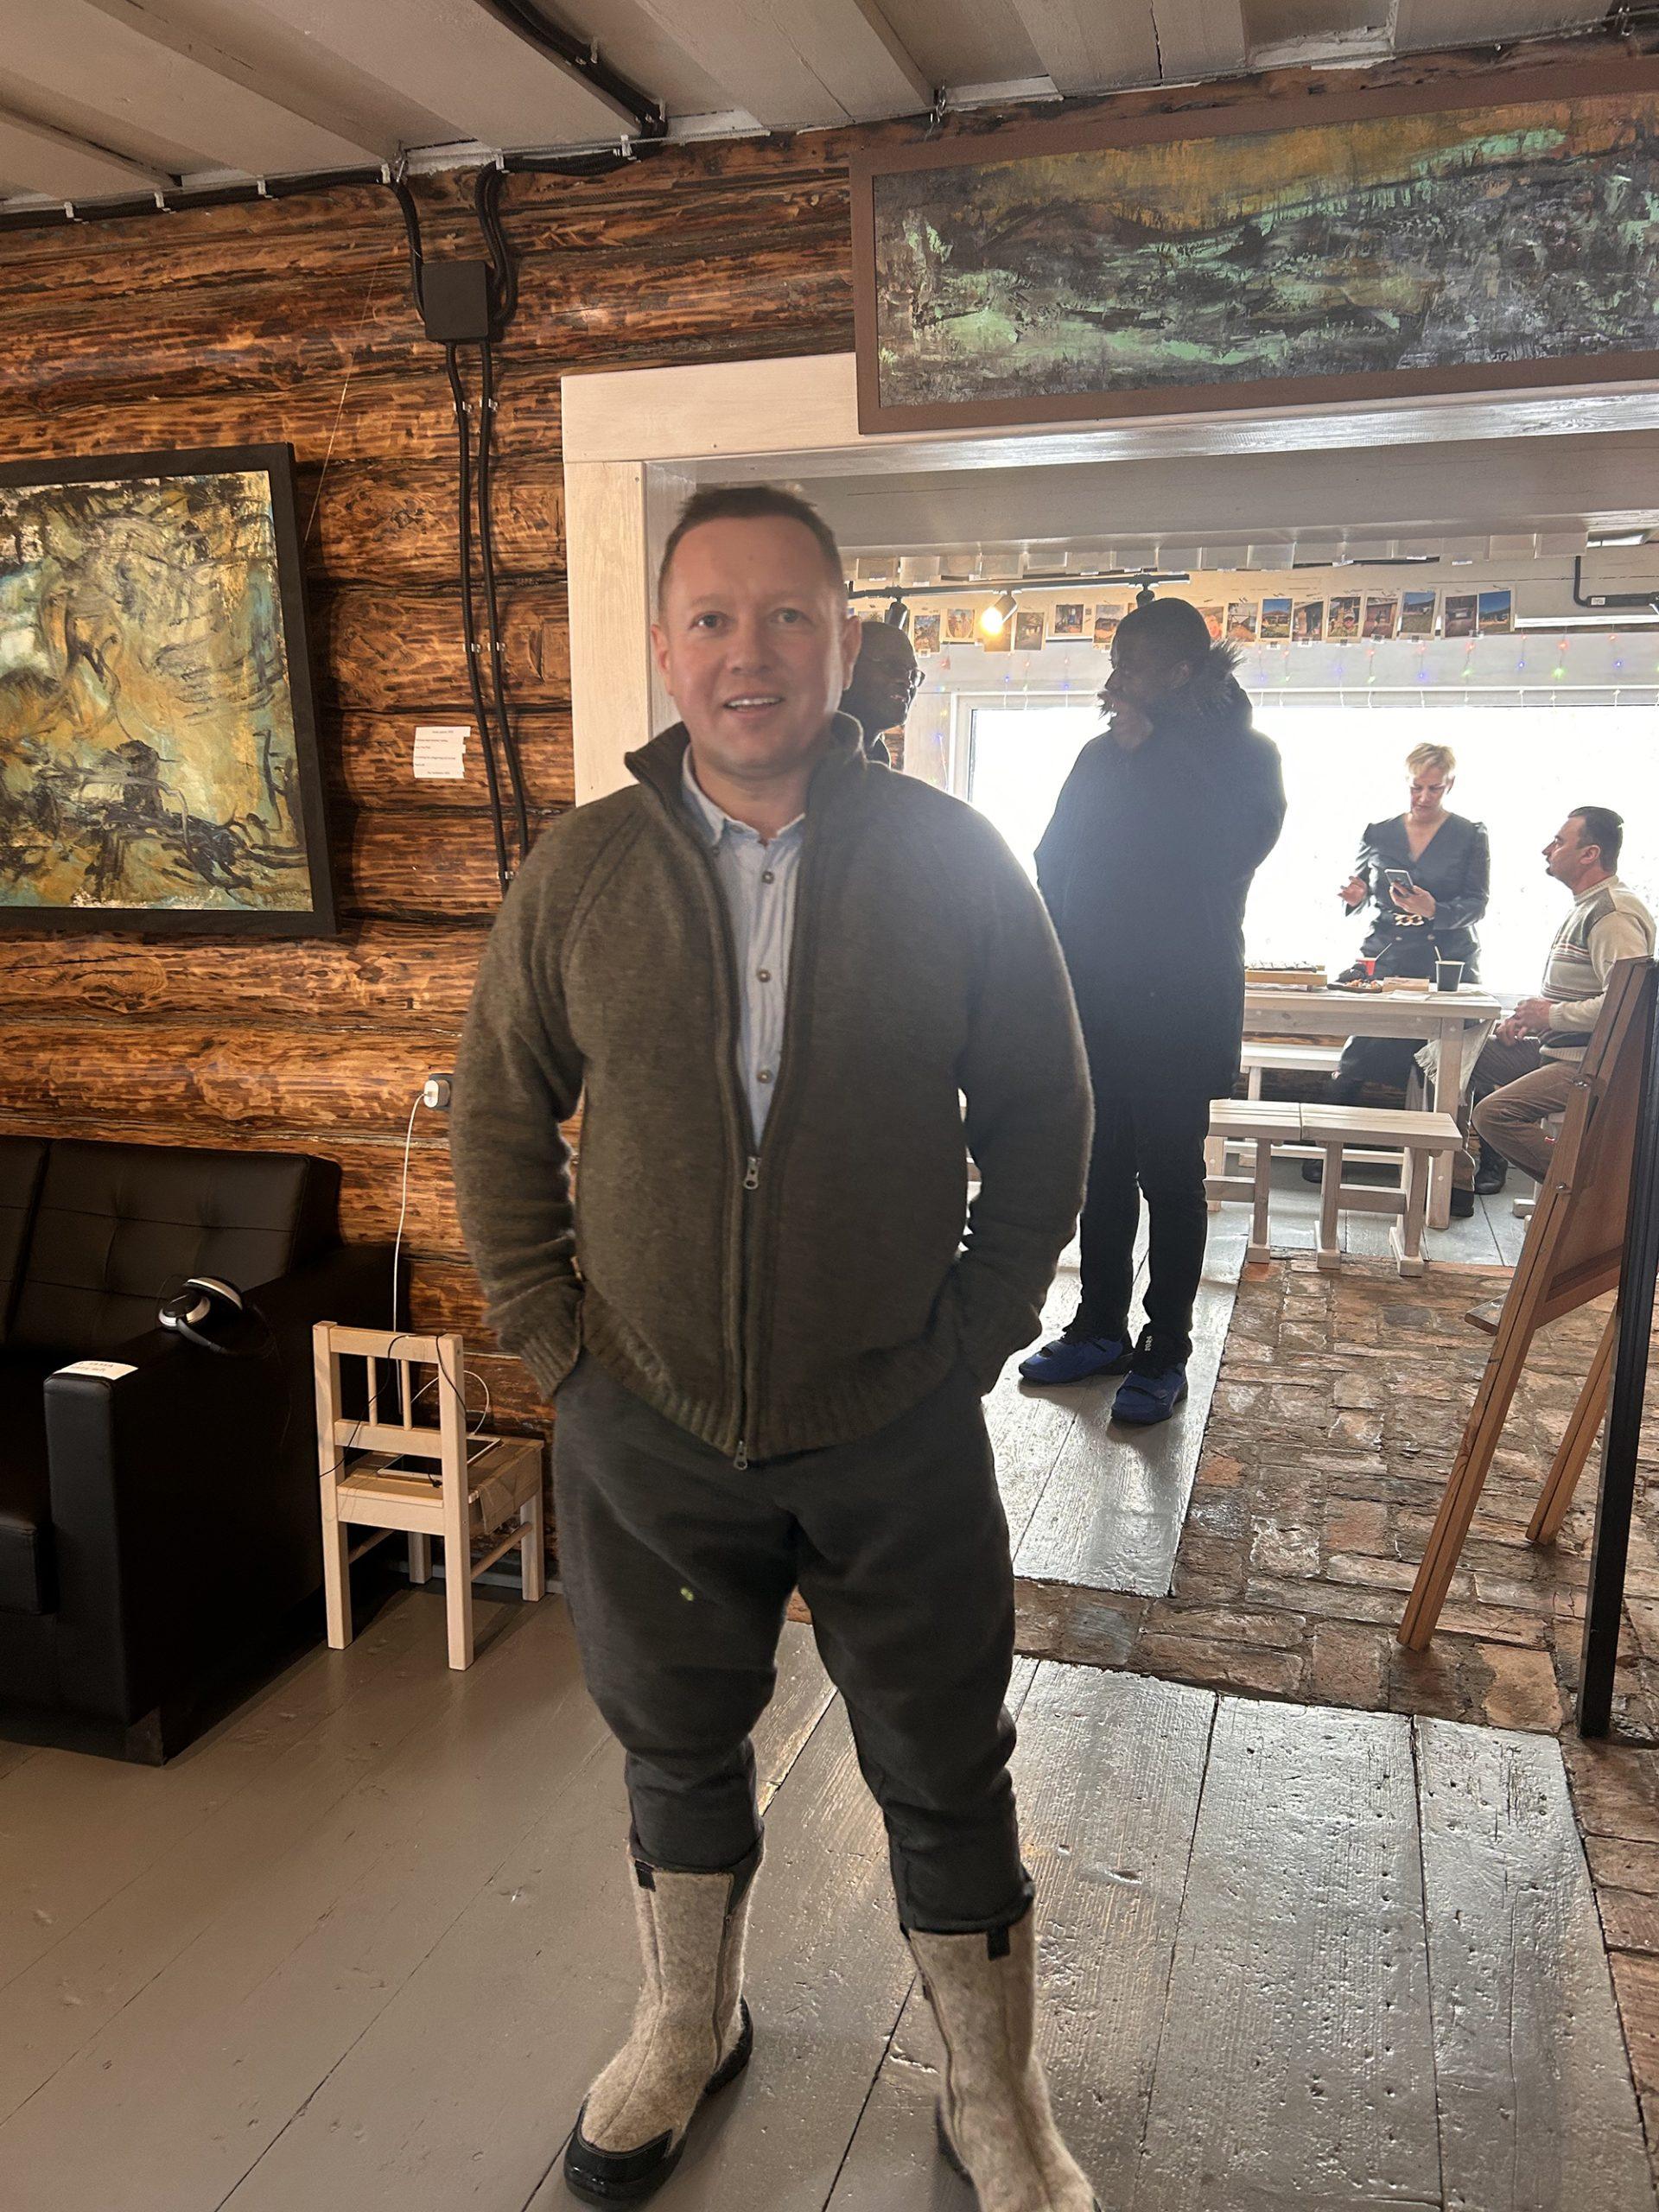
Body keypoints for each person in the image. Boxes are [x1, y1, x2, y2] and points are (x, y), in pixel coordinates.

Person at [450, 483, 1098, 2211]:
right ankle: (689, 2020)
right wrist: (559, 1348)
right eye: (716, 619)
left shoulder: (956, 863)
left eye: (790, 615)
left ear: (843, 640)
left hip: (894, 1421)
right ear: (668, 651)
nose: (753, 653)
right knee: (672, 1740)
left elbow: (1045, 1114)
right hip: (645, 1422)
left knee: (944, 1757)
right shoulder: (581, 871)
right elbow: (499, 1113)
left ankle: (994, 2090)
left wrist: (974, 1335)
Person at [1020, 595, 1286, 1423]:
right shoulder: (1102, 756)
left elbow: (1222, 856)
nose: (1114, 680)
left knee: (1172, 1178)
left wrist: (1159, 755)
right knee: (1100, 1170)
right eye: (1114, 662)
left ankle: (1165, 1350)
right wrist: (1054, 954)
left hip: (1183, 999)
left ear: (1181, 671)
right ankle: (1098, 1327)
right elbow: (1051, 856)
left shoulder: (1246, 757)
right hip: (1096, 997)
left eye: (1131, 666)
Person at [1466, 805, 1654, 1191]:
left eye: (1558, 841)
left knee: (1493, 1115)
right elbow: (1577, 992)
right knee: (1459, 1058)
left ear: (1590, 854)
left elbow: (1627, 1003)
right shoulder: (1587, 905)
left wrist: (1550, 1017)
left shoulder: (1612, 915)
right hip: (1557, 1049)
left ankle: (1591, 1193)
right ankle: (1455, 1180)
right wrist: (1528, 1020)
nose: (1546, 849)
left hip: (1590, 1063)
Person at [839, 613, 922, 766]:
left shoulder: (878, 758)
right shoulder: (804, 754)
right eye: (892, 666)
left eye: (914, 674)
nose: (907, 682)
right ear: (846, 666)